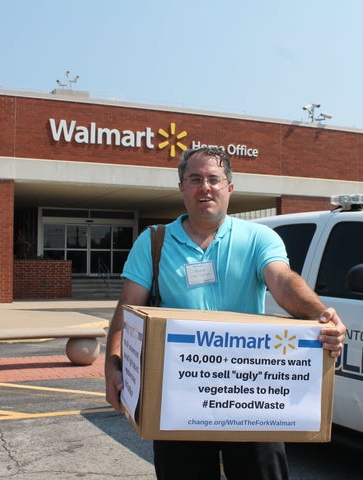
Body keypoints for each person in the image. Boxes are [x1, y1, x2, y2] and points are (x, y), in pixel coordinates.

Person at [105, 146, 346, 480]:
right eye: (195, 179)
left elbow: (282, 280)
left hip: (251, 397)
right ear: (182, 188)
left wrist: (321, 315)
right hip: (179, 399)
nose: (205, 187)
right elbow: (128, 310)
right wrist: (112, 365)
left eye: (213, 179)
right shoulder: (153, 242)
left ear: (229, 188)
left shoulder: (259, 237)